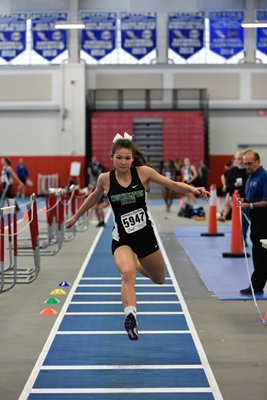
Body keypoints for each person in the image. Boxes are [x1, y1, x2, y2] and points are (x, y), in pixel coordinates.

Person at [65, 133, 209, 340]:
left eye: (127, 158)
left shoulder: (143, 173)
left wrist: (193, 189)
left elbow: (172, 184)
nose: (123, 162)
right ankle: (130, 315)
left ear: (133, 159)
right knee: (127, 273)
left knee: (159, 279)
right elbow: (93, 197)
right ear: (112, 157)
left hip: (146, 238)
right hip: (122, 240)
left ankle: (137, 261)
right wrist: (75, 217)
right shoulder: (105, 179)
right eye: (119, 158)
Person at [239, 150, 267, 295]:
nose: (247, 166)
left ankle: (256, 285)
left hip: (264, 220)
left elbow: (266, 201)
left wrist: (249, 205)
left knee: (261, 254)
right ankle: (258, 284)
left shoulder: (264, 176)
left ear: (258, 161)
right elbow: (251, 198)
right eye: (245, 164)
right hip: (255, 220)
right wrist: (245, 201)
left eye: (250, 163)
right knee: (258, 253)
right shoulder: (250, 177)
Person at [225, 151, 249, 244]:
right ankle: (238, 238)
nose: (241, 160)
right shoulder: (232, 171)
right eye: (238, 158)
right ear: (235, 160)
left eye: (242, 158)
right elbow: (227, 186)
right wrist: (234, 184)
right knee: (237, 219)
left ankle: (243, 238)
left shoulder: (248, 170)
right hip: (235, 199)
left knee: (245, 219)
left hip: (246, 198)